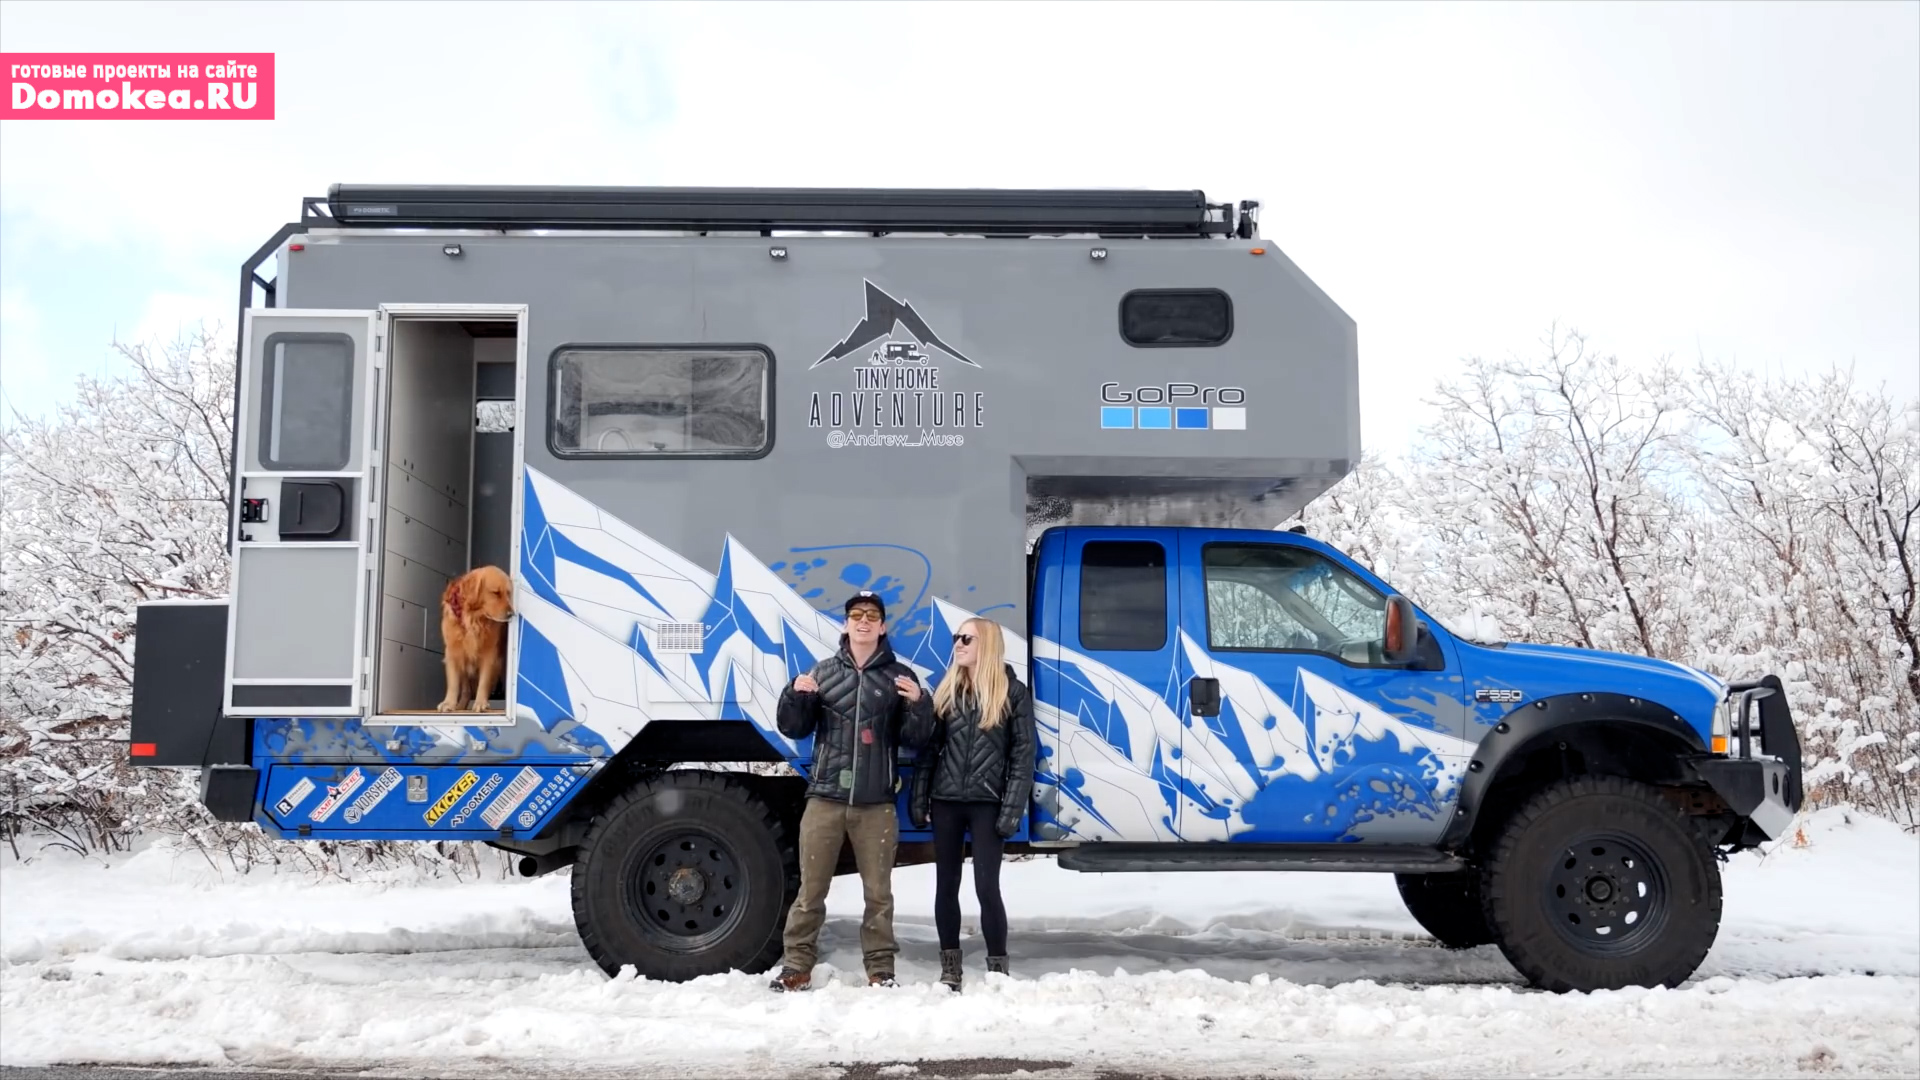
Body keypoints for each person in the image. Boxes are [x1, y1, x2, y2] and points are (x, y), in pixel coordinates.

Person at [769, 590, 934, 992]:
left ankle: (880, 970)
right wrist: (794, 695)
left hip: (876, 803)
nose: (863, 621)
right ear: (846, 624)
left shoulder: (899, 677)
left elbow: (918, 738)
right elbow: (793, 728)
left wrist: (918, 706)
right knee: (811, 890)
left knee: (879, 895)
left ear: (882, 626)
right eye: (856, 614)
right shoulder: (823, 673)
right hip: (825, 798)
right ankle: (797, 966)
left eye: (871, 615)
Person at [908, 617, 1036, 992]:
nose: (959, 644)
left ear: (988, 645)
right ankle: (950, 966)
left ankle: (997, 967)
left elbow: (1023, 755)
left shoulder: (1012, 693)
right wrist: (921, 799)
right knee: (945, 886)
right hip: (946, 801)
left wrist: (1011, 810)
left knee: (986, 888)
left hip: (986, 805)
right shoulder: (948, 691)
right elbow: (929, 752)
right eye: (956, 638)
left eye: (967, 638)